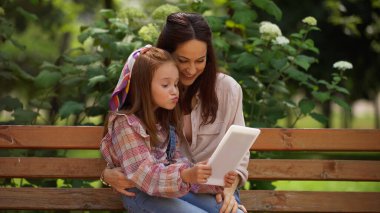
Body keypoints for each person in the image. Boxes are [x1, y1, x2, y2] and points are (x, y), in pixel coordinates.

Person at [101, 12, 249, 213]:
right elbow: (138, 164)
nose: (191, 69)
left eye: (200, 60)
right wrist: (106, 174)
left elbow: (180, 163)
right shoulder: (149, 110)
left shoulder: (226, 90)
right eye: (183, 60)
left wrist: (225, 184)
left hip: (201, 187)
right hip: (157, 188)